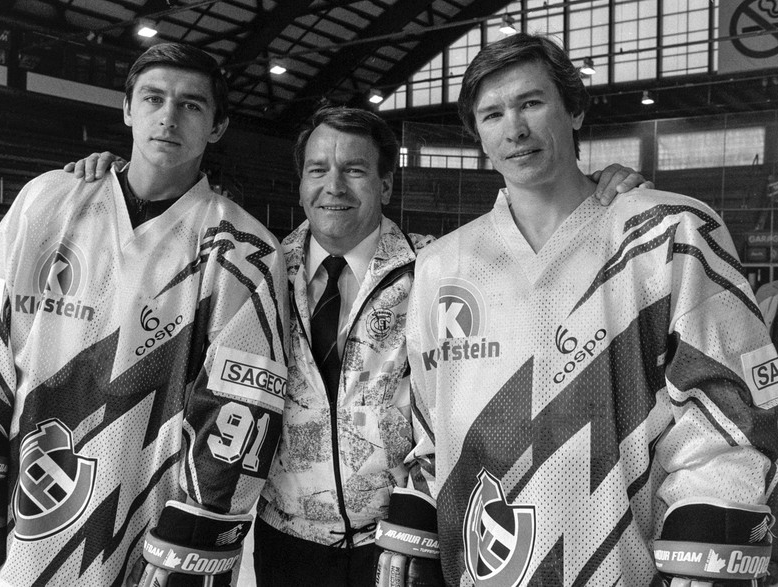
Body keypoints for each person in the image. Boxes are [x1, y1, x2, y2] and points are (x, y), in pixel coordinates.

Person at [66, 105, 649, 586]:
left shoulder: (438, 267)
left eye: (354, 170)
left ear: (386, 183)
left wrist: (597, 191)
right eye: (317, 170)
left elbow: (526, 287)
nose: (333, 186)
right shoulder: (251, 266)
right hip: (285, 540)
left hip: (404, 538)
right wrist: (119, 180)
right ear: (300, 183)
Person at [396, 32, 778, 586]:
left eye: (531, 102)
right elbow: (432, 427)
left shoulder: (669, 232)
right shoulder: (439, 266)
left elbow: (730, 415)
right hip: (485, 568)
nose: (515, 129)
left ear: (574, 109)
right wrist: (418, 533)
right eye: (492, 114)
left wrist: (705, 556)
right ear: (477, 134)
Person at [0, 43, 289, 587]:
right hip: (28, 498)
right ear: (127, 109)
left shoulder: (245, 251)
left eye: (191, 105)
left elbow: (240, 404)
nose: (168, 116)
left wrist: (202, 530)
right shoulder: (44, 202)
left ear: (217, 126)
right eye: (153, 98)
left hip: (145, 521)